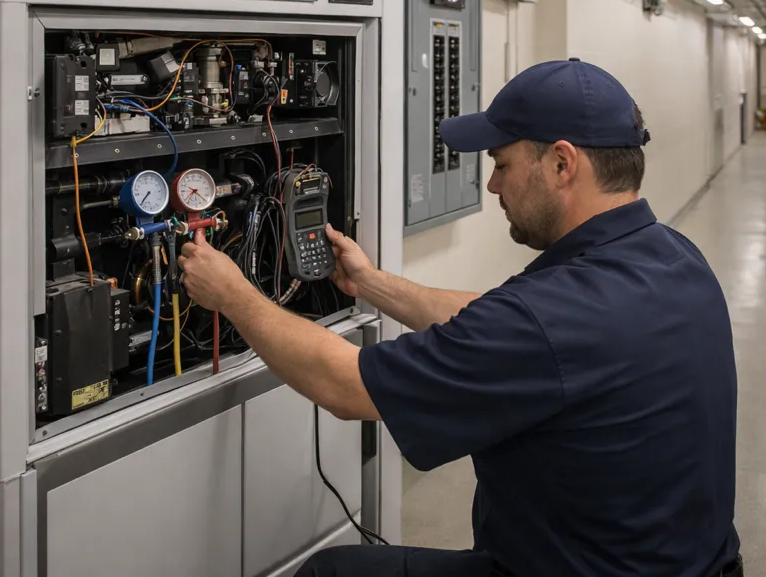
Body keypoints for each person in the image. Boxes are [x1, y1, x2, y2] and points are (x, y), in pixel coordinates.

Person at [179, 58, 741, 577]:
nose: (493, 185)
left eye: (502, 165)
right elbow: (499, 325)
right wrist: (371, 283)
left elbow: (344, 386)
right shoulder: (672, 255)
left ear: (563, 163)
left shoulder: (546, 318)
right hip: (690, 562)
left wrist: (232, 292)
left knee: (330, 572)